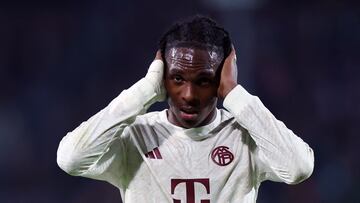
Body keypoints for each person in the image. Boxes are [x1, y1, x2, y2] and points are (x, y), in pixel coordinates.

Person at [57, 15, 314, 202]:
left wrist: (236, 95)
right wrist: (145, 90)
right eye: (177, 79)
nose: (189, 95)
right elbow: (71, 159)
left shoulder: (244, 136)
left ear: (221, 79)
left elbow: (299, 167)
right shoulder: (135, 135)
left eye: (204, 80)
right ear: (162, 77)